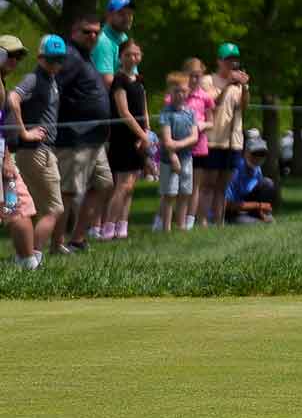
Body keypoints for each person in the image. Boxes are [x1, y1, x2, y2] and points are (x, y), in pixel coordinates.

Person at [54, 15, 114, 251]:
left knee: (104, 184)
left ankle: (78, 239)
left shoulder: (85, 58)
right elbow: (54, 90)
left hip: (95, 140)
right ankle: (57, 244)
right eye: (86, 32)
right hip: (74, 138)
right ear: (73, 32)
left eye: (96, 32)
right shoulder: (70, 56)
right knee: (68, 192)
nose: (92, 36)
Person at [8, 35, 68, 263]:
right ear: (40, 57)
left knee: (32, 209)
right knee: (55, 209)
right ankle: (32, 258)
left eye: (60, 60)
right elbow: (13, 98)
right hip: (37, 150)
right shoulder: (33, 78)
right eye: (51, 60)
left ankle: (24, 255)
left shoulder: (51, 78)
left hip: (38, 151)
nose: (56, 64)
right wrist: (24, 132)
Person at [196, 44, 249, 227]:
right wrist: (227, 84)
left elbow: (243, 107)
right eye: (228, 59)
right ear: (219, 61)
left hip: (233, 141)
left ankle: (219, 222)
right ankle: (202, 221)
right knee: (208, 184)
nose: (232, 63)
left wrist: (245, 88)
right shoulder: (208, 81)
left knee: (222, 186)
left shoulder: (239, 85)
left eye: (235, 59)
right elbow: (211, 104)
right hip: (213, 140)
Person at [102, 40, 150, 240]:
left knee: (131, 185)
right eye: (128, 54)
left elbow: (144, 109)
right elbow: (123, 111)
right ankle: (108, 227)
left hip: (140, 137)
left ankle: (123, 225)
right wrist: (142, 134)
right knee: (122, 184)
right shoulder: (119, 81)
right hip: (124, 137)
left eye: (136, 54)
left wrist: (148, 132)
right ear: (121, 57)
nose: (133, 58)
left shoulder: (139, 80)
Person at [2, 35, 41, 269]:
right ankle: (28, 264)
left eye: (19, 56)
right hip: (2, 159)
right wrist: (6, 160)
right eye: (11, 55)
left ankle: (23, 259)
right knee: (18, 209)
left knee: (16, 208)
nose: (15, 61)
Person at [154, 73, 199, 232]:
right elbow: (166, 141)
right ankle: (166, 228)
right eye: (176, 91)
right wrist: (173, 157)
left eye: (183, 91)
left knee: (185, 192)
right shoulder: (166, 113)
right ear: (170, 93)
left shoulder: (191, 113)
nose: (180, 95)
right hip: (169, 160)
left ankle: (181, 226)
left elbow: (194, 137)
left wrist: (177, 144)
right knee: (169, 194)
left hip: (187, 158)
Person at [183, 59, 216, 229]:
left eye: (198, 76)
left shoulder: (205, 97)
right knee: (179, 185)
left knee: (195, 185)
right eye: (191, 76)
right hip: (180, 146)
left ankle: (190, 220)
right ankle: (170, 219)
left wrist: (203, 125)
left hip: (199, 147)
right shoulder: (179, 94)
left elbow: (211, 121)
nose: (194, 80)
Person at [223, 139, 277, 223]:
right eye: (255, 153)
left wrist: (261, 210)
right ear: (245, 153)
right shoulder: (234, 171)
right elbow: (226, 204)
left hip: (247, 208)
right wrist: (259, 206)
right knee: (256, 224)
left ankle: (263, 215)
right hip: (230, 212)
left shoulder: (257, 169)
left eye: (262, 154)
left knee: (267, 183)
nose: (258, 157)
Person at [94, 0, 133, 79]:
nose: (127, 18)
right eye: (121, 14)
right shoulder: (103, 41)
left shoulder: (124, 38)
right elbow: (107, 81)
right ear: (109, 15)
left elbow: (133, 75)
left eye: (130, 14)